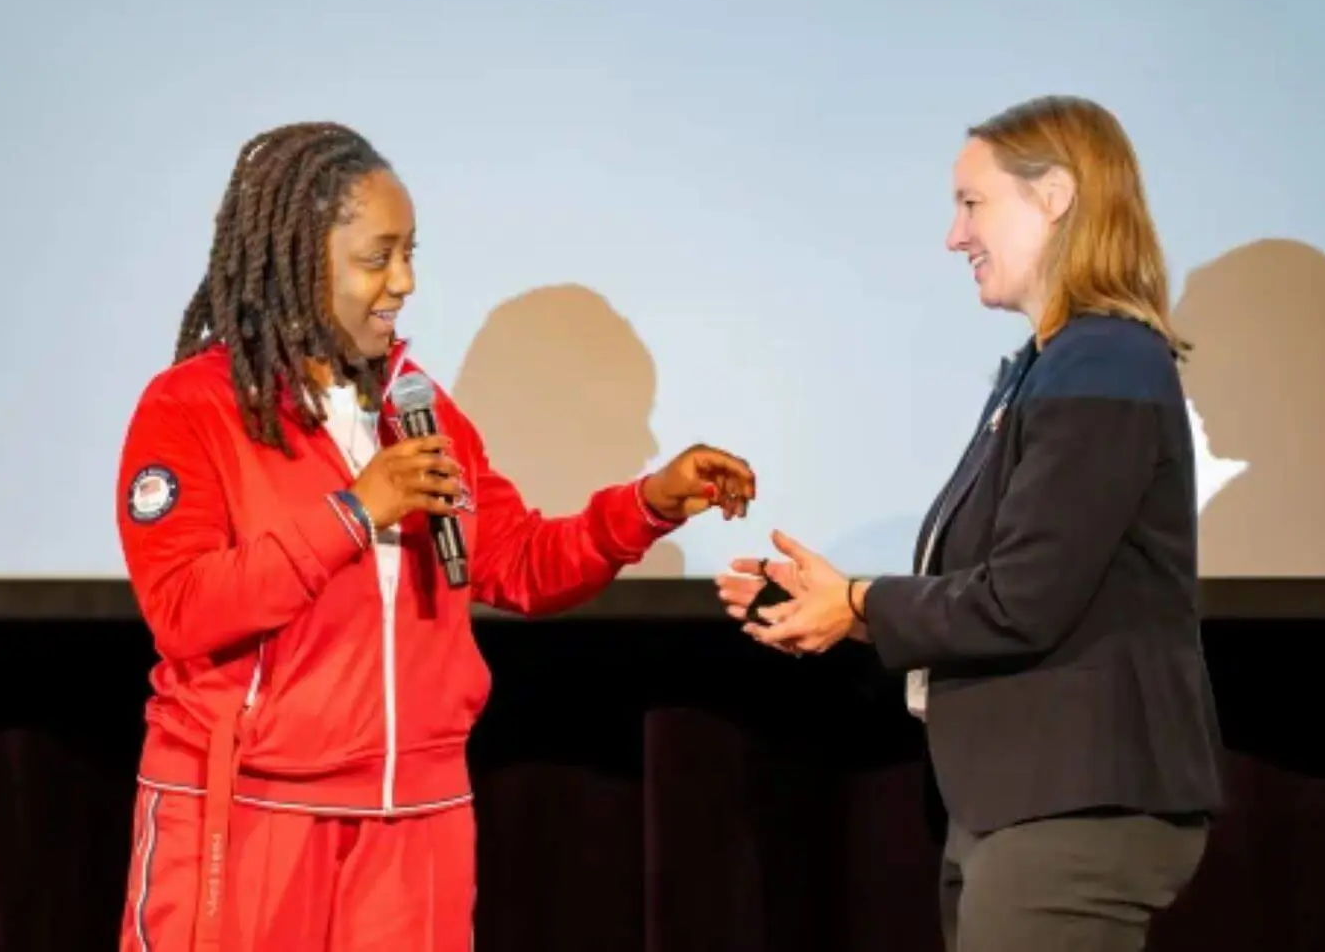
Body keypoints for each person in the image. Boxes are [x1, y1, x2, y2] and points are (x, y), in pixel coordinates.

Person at [114, 121, 757, 952]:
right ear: (299, 256)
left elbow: (520, 563)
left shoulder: (421, 408)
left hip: (416, 817)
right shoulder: (191, 407)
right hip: (251, 810)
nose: (404, 281)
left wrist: (650, 502)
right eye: (377, 257)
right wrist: (353, 512)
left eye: (411, 253)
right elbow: (185, 608)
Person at [716, 95, 1224, 952]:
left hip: (1074, 801)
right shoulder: (1052, 364)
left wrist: (863, 602)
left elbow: (1023, 598)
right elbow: (1009, 580)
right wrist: (835, 604)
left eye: (971, 203)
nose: (955, 236)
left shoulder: (1102, 359)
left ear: (1055, 196)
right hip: (1019, 802)